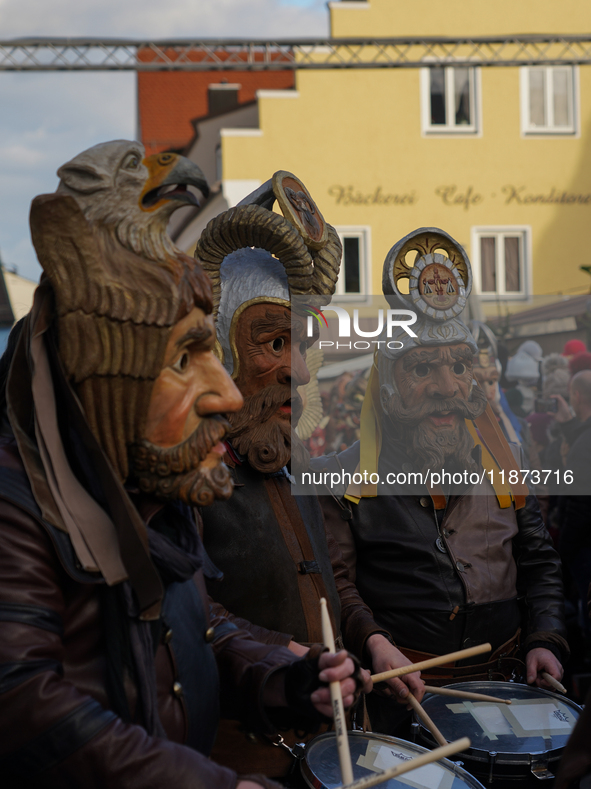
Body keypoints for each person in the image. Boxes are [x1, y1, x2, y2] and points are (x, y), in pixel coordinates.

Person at [0, 142, 362, 789]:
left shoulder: (150, 493)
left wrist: (284, 675)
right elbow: (20, 697)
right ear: (104, 369)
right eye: (183, 357)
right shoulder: (18, 504)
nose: (224, 394)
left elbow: (195, 620)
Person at [194, 173, 423, 775]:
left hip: (327, 741)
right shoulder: (183, 477)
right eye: (272, 342)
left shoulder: (294, 464)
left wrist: (368, 635)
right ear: (219, 350)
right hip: (238, 755)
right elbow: (189, 611)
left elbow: (327, 586)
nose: (298, 370)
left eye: (303, 344)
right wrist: (283, 660)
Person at [314, 228, 568, 733]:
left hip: (510, 695)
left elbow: (538, 560)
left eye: (459, 366)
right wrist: (373, 640)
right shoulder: (341, 478)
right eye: (422, 369)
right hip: (404, 705)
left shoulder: (508, 460)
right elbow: (337, 584)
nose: (446, 387)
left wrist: (545, 638)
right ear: (388, 387)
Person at [552, 371, 591, 643]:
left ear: (576, 395)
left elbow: (579, 507)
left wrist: (561, 553)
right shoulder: (582, 437)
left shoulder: (583, 445)